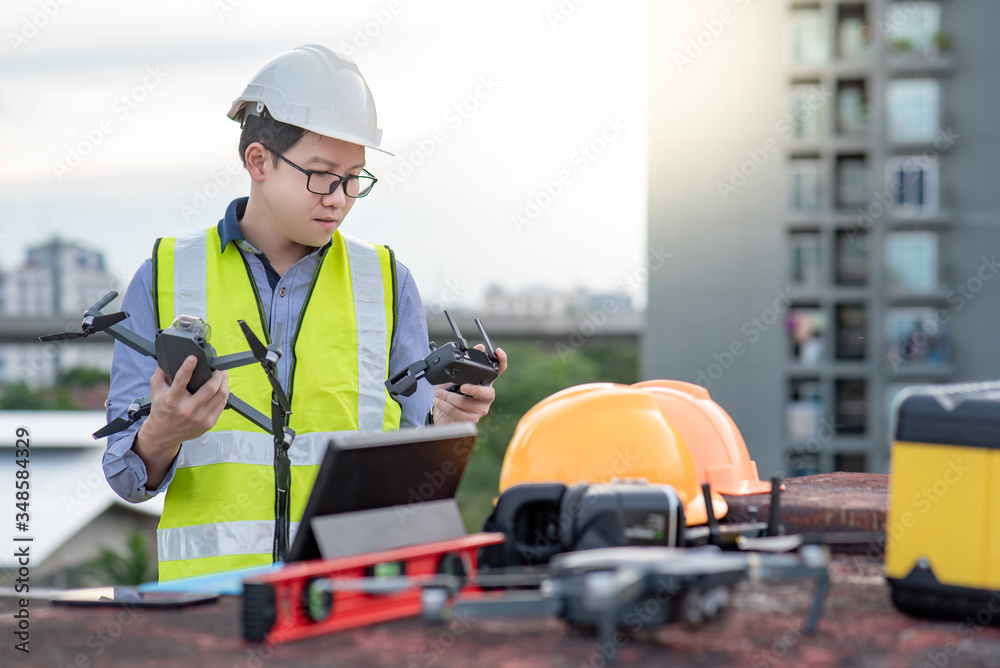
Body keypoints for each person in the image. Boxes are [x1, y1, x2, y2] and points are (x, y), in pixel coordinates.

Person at [102, 45, 507, 581]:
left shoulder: (387, 282)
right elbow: (127, 477)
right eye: (321, 175)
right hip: (210, 612)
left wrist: (446, 424)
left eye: (354, 178)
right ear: (258, 161)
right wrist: (163, 432)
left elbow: (413, 481)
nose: (339, 198)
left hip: (348, 604)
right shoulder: (166, 274)